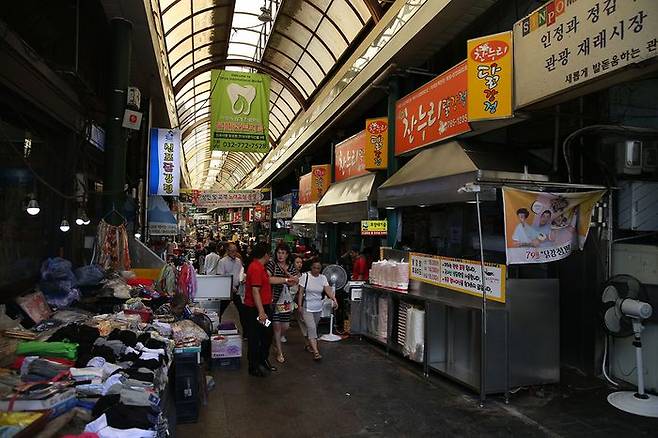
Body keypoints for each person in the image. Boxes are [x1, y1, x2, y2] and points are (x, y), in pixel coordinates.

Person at [244, 243, 296, 377]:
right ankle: (254, 366)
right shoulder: (255, 268)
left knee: (266, 333)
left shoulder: (260, 267)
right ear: (266, 254)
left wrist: (286, 279)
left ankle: (263, 360)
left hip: (264, 308)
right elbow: (255, 291)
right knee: (256, 337)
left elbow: (269, 280)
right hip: (255, 310)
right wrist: (261, 312)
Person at [297, 258, 338, 361]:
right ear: (311, 267)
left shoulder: (323, 278)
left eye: (318, 268)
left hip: (318, 308)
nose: (316, 270)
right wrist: (300, 306)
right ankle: (316, 352)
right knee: (312, 328)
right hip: (307, 307)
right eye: (315, 268)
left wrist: (334, 299)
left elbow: (327, 289)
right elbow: (301, 292)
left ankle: (308, 344)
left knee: (312, 328)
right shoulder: (305, 276)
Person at [266, 244, 299, 364]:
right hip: (273, 300)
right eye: (279, 252)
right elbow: (268, 279)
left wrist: (287, 275)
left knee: (285, 326)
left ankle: (276, 340)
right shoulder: (272, 264)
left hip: (286, 301)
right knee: (276, 326)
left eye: (283, 253)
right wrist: (285, 280)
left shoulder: (290, 267)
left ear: (287, 255)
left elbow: (295, 281)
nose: (280, 255)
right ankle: (279, 352)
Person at [217, 243, 245, 321]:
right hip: (226, 290)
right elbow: (221, 277)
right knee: (221, 310)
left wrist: (242, 278)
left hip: (237, 289)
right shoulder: (222, 262)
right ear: (228, 251)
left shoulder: (238, 261)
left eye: (235, 251)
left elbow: (241, 272)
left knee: (242, 310)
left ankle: (245, 329)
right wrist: (230, 287)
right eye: (232, 251)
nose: (234, 253)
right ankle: (216, 325)